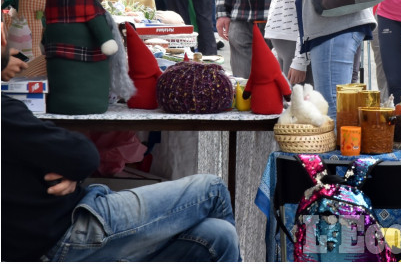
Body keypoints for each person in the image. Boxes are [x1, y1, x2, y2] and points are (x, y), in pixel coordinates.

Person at [1, 15, 240, 262]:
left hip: (60, 224)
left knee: (218, 234)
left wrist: (68, 164)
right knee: (212, 189)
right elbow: (83, 155)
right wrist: (70, 165)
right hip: (69, 232)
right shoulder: (5, 112)